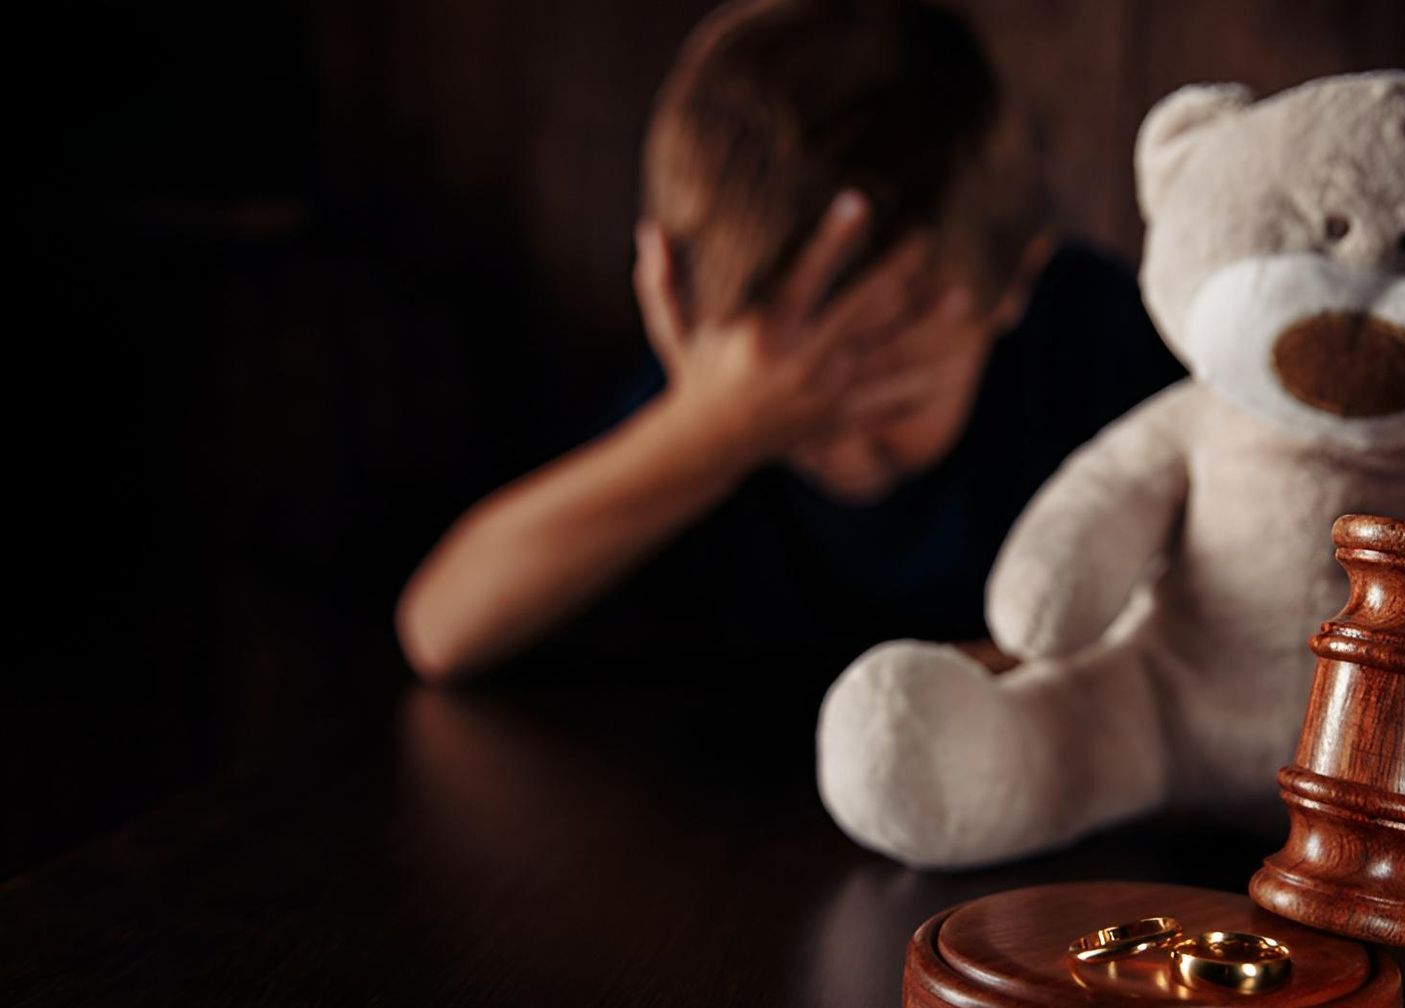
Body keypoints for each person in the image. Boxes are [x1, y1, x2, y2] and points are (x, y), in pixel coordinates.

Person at [395, 0, 1185, 685]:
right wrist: (711, 429)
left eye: (884, 392)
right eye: (788, 407)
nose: (826, 421)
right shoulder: (719, 412)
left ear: (1014, 285)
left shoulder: (1093, 338)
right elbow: (441, 629)